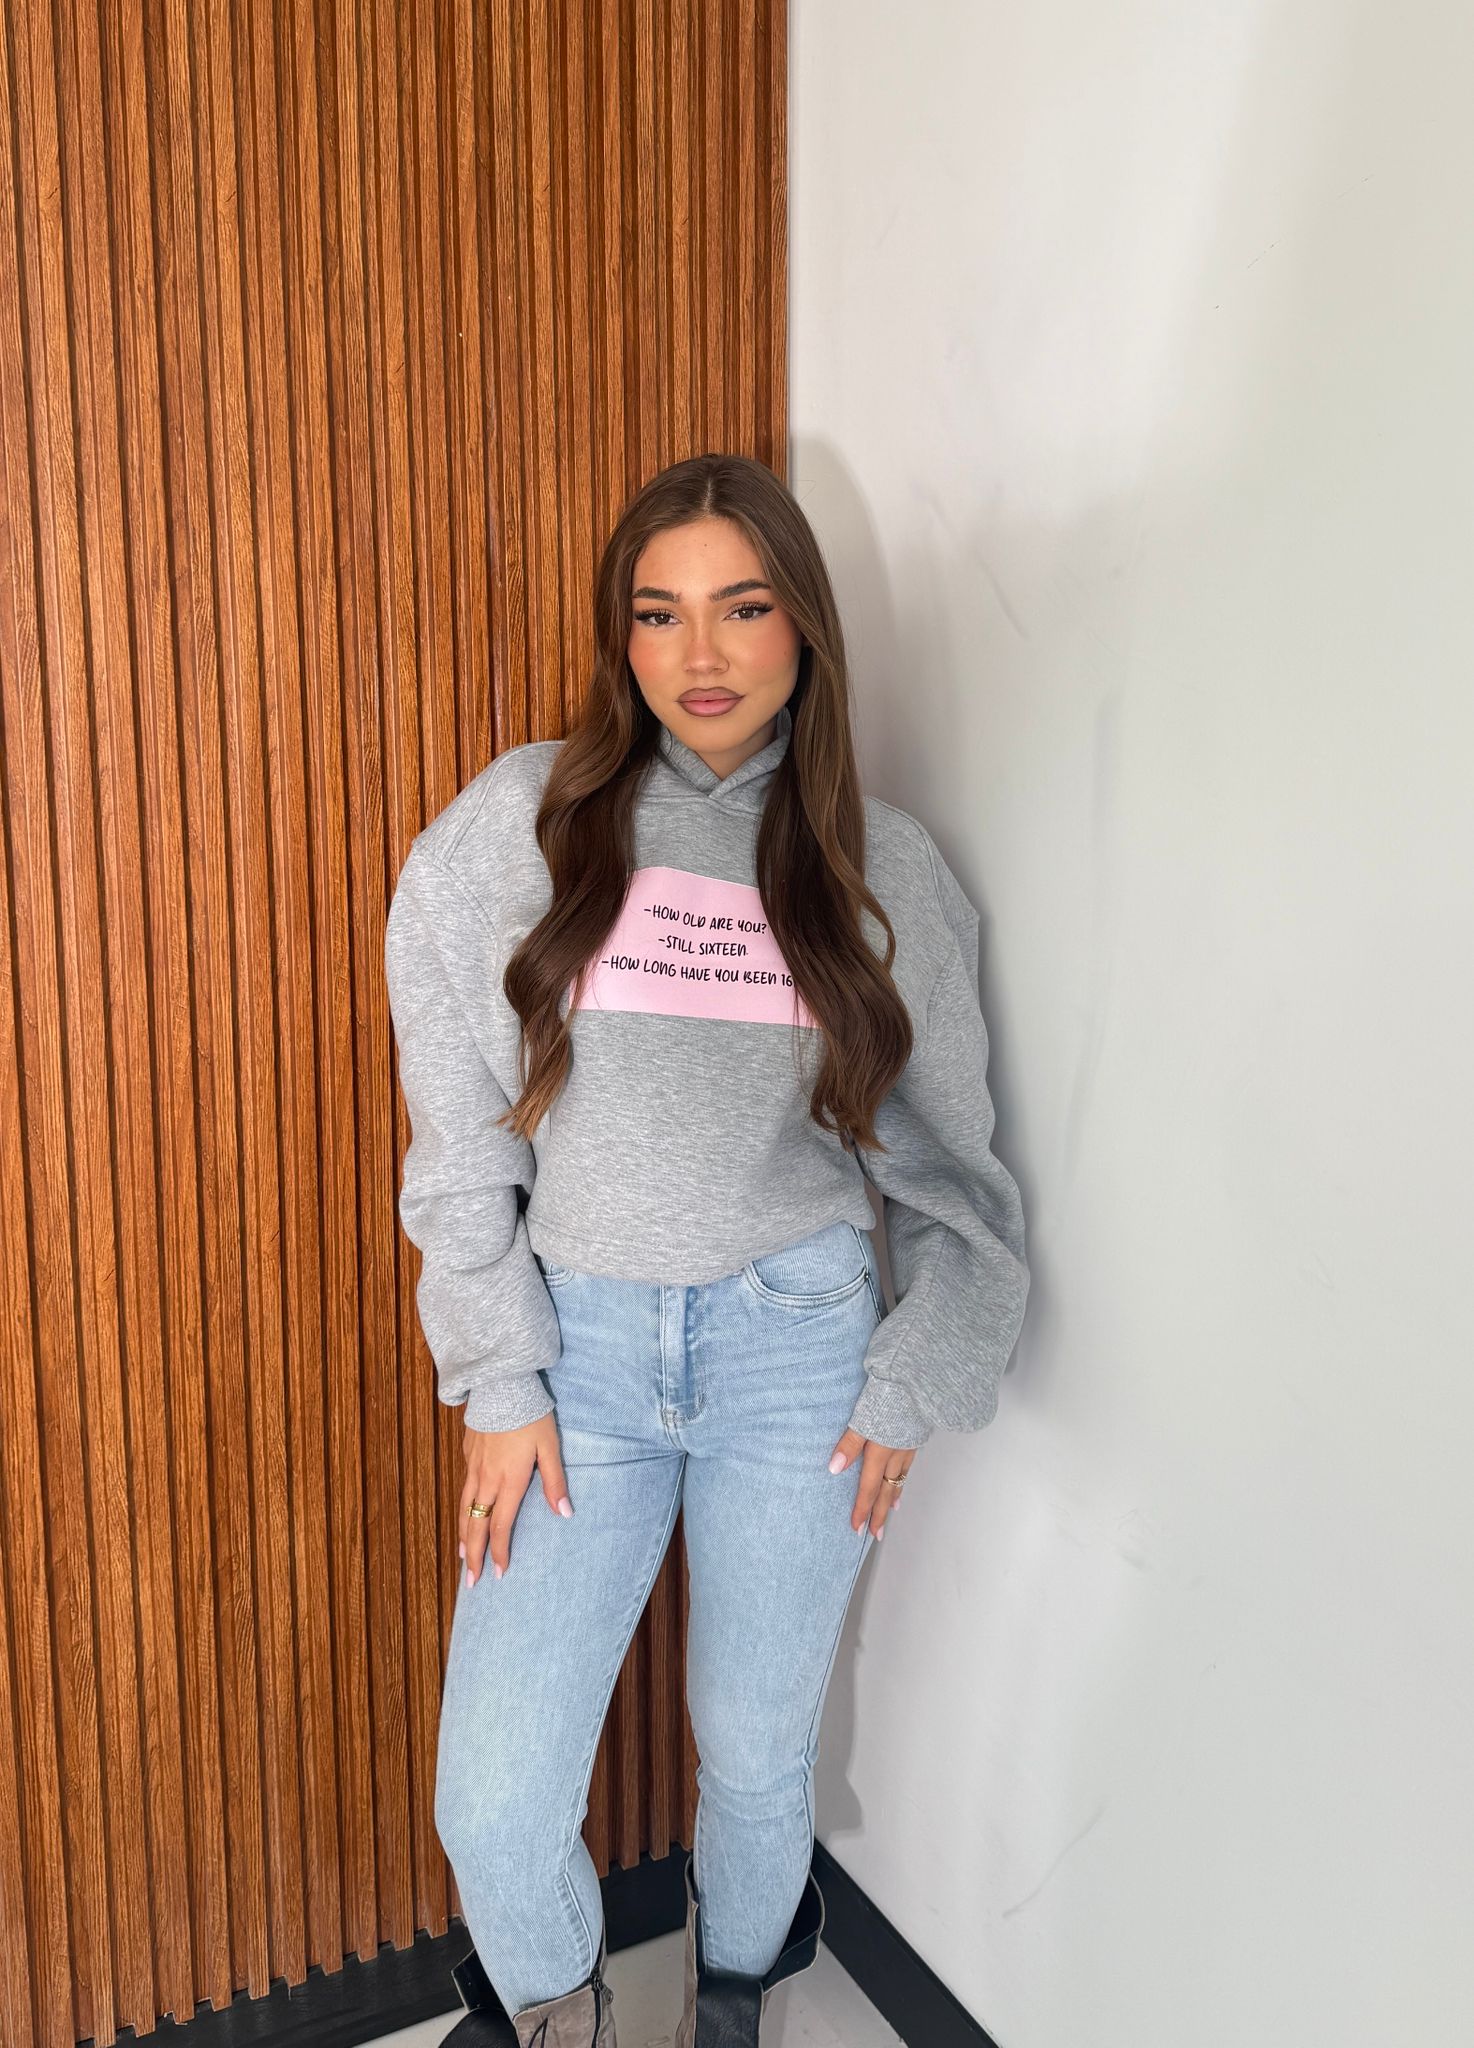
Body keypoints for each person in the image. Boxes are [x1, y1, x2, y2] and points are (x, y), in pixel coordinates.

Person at [383, 452, 1030, 2047]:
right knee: (494, 1792)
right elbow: (458, 1135)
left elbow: (952, 1178)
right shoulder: (522, 825)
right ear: (620, 636)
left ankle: (733, 2002)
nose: (701, 654)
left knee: (751, 1749)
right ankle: (561, 2019)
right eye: (657, 613)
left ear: (802, 623)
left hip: (794, 1351)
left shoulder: (880, 867)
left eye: (742, 608)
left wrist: (908, 1378)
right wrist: (496, 1376)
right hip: (577, 1357)